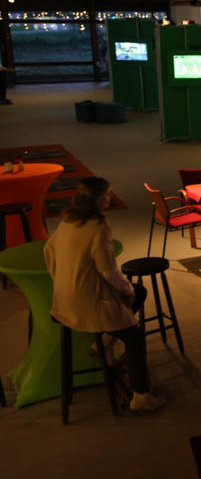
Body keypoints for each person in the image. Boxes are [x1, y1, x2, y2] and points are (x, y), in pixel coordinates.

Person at [43, 177, 165, 413]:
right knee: (135, 334)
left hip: (63, 299)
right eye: (107, 195)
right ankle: (141, 394)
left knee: (139, 292)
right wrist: (126, 290)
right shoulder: (98, 227)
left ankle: (106, 341)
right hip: (88, 302)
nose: (109, 198)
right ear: (99, 200)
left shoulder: (68, 220)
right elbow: (108, 271)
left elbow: (48, 250)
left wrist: (61, 278)